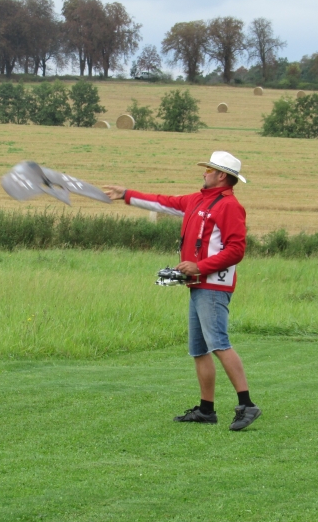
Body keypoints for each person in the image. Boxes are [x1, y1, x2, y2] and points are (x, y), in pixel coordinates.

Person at [104, 151, 261, 431]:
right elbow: (163, 202)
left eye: (209, 170)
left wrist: (199, 266)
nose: (204, 173)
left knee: (219, 344)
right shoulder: (197, 200)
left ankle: (247, 405)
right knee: (199, 349)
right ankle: (206, 410)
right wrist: (126, 194)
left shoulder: (230, 206)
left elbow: (236, 250)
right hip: (198, 283)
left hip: (212, 285)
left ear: (221, 175)